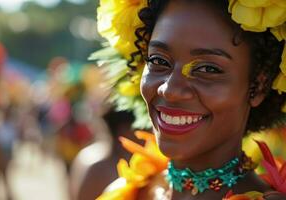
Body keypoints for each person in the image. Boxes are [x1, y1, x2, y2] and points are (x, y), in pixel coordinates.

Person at [94, 0, 286, 199]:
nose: (170, 90)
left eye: (207, 69)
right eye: (158, 61)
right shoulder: (129, 191)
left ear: (259, 85)